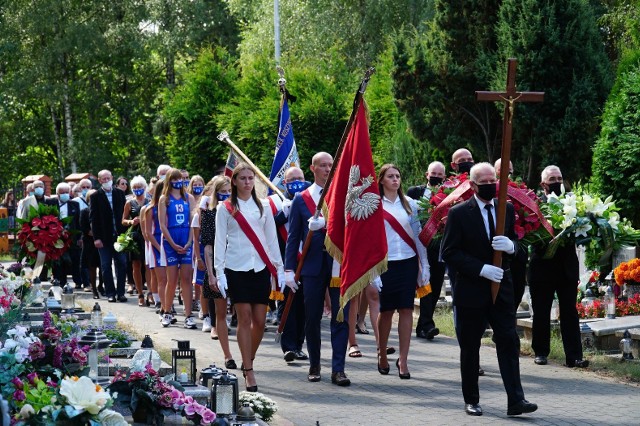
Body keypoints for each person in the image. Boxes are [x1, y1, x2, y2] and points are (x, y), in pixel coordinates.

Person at [441, 162, 537, 417]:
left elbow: (517, 248)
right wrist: (481, 268)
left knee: (508, 340)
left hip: (501, 289)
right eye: (484, 183)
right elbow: (449, 252)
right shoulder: (459, 213)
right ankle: (471, 399)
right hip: (471, 290)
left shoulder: (505, 207)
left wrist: (512, 247)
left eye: (493, 181)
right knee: (471, 346)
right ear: (472, 185)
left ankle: (516, 400)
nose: (490, 186)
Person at [213, 163, 284, 392]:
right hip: (236, 267)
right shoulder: (225, 208)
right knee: (243, 318)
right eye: (242, 178)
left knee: (260, 322)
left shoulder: (263, 206)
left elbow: (272, 239)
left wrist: (279, 269)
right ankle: (249, 371)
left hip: (260, 267)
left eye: (250, 178)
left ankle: (247, 359)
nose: (247, 182)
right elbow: (219, 241)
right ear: (234, 181)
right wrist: (219, 272)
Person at [285, 152, 351, 387]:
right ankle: (314, 364)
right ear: (312, 169)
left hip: (338, 265)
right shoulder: (301, 199)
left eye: (330, 165)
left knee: (340, 318)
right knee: (312, 318)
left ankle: (339, 369)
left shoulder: (343, 196)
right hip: (312, 267)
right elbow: (293, 238)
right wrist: (288, 269)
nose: (327, 169)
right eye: (322, 165)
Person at [529, 165, 588, 368]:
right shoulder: (535, 205)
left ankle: (574, 356)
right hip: (542, 267)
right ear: (543, 184)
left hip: (566, 267)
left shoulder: (574, 204)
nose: (556, 182)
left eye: (559, 178)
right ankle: (541, 352)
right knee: (542, 311)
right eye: (552, 179)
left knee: (570, 312)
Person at [374, 164, 430, 380]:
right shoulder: (375, 206)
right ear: (382, 180)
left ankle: (404, 360)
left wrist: (424, 265)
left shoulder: (411, 205)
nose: (395, 180)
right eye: (390, 176)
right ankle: (382, 353)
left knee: (406, 309)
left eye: (398, 176)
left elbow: (419, 237)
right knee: (386, 311)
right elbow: (370, 241)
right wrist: (374, 272)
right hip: (386, 264)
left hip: (407, 262)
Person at [269, 166, 309, 364]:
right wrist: (283, 214)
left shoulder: (309, 198)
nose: (297, 182)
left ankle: (299, 346)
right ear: (284, 183)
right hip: (286, 260)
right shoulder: (276, 202)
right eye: (292, 179)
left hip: (308, 259)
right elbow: (268, 226)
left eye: (300, 178)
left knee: (303, 305)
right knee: (287, 303)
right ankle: (288, 346)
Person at [409, 160, 447, 340]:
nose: (436, 177)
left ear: (445, 177)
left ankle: (424, 325)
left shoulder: (449, 195)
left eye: (440, 175)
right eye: (434, 174)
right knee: (425, 284)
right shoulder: (414, 192)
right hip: (418, 246)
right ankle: (426, 324)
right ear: (426, 174)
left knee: (436, 285)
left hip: (438, 247)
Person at [202, 175, 237, 368]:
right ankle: (228, 355)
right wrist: (212, 273)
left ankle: (248, 356)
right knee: (221, 312)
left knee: (245, 314)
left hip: (239, 266)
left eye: (229, 192)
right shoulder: (209, 214)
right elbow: (208, 246)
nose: (226, 195)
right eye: (222, 192)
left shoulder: (241, 213)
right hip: (218, 266)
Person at [158, 168, 196, 328]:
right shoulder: (164, 199)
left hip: (186, 238)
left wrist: (188, 243)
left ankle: (188, 315)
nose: (177, 182)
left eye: (179, 179)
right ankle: (167, 312)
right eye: (174, 179)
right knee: (171, 279)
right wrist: (173, 244)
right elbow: (162, 225)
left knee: (186, 278)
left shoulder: (189, 198)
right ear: (169, 181)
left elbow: (193, 222)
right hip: (170, 241)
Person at [90, 169, 128, 303]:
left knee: (122, 263)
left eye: (108, 178)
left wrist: (126, 234)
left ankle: (121, 292)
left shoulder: (119, 193)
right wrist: (96, 238)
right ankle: (110, 293)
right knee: (106, 266)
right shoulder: (95, 196)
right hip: (104, 237)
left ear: (112, 178)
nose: (106, 181)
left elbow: (125, 214)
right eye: (103, 179)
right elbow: (93, 219)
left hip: (119, 236)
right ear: (99, 181)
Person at [494, 158, 528, 309]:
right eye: (502, 170)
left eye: (509, 170)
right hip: (494, 251)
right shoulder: (490, 192)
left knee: (517, 290)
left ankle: (510, 324)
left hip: (517, 248)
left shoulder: (522, 191)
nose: (506, 173)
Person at [122, 176, 149, 307]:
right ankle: (140, 294)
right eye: (135, 188)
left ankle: (151, 293)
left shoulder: (150, 201)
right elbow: (123, 220)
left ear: (145, 187)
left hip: (148, 236)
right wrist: (131, 221)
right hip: (135, 236)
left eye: (140, 187)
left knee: (148, 266)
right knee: (136, 265)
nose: (138, 190)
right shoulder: (129, 203)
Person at [142, 180, 168, 315]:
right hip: (156, 244)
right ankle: (161, 304)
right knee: (161, 278)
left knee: (171, 279)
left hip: (170, 243)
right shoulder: (150, 209)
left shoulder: (171, 206)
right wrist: (159, 247)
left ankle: (167, 304)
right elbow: (147, 233)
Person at [52, 182, 83, 289]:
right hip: (57, 238)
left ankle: (78, 281)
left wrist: (80, 237)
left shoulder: (75, 204)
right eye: (62, 193)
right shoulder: (51, 204)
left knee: (75, 259)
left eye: (67, 192)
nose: (65, 194)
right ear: (57, 194)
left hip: (72, 237)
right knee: (58, 260)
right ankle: (59, 281)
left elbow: (78, 222)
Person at [188, 175, 206, 315]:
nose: (198, 186)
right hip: (195, 241)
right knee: (197, 273)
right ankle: (196, 299)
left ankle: (202, 301)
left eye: (200, 184)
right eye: (195, 184)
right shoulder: (188, 199)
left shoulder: (207, 200)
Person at [80, 189, 101, 299]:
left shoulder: (102, 210)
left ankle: (102, 286)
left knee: (103, 266)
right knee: (92, 266)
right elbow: (83, 227)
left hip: (102, 241)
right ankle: (94, 289)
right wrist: (95, 234)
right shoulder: (85, 211)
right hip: (90, 242)